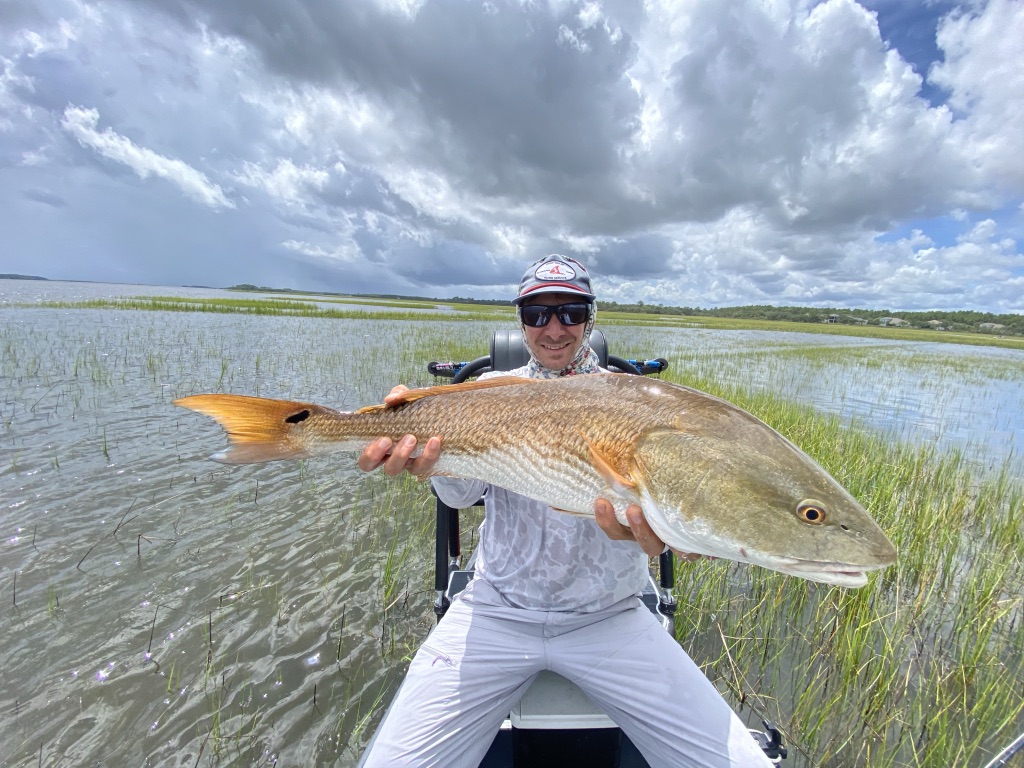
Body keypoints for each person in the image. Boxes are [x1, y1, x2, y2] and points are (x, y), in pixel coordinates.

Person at [356, 255, 773, 767]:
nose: (553, 328)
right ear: (521, 322)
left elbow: (684, 519)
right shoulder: (488, 393)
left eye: (569, 312)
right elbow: (462, 497)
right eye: (536, 314)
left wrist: (690, 540)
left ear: (590, 318)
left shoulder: (633, 400)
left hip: (611, 615)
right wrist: (428, 464)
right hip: (497, 609)